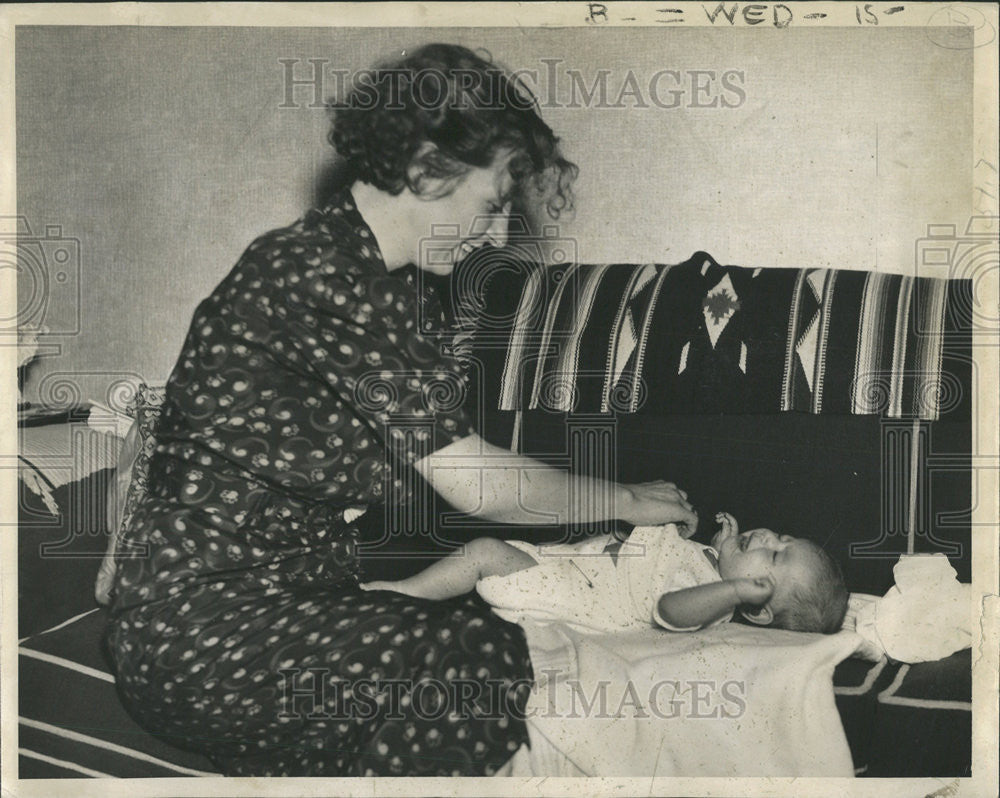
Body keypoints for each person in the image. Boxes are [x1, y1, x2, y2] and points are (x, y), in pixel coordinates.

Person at [104, 43, 698, 778]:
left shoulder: (373, 283)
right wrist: (628, 500)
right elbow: (478, 484)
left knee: (489, 644)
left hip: (266, 607)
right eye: (491, 204)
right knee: (478, 659)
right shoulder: (320, 274)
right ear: (425, 169)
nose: (493, 233)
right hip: (199, 640)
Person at [362, 512, 849, 635]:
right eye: (781, 537)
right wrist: (723, 543)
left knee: (484, 552)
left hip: (576, 596)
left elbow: (669, 610)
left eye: (776, 557)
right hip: (569, 565)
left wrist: (731, 586)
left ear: (757, 609)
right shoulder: (708, 562)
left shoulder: (713, 603)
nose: (769, 539)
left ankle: (401, 595)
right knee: (489, 552)